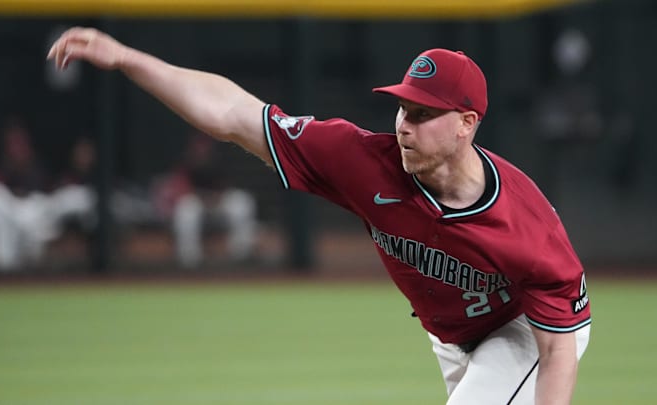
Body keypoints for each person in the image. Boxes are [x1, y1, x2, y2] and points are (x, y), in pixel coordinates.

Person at [48, 27, 592, 404]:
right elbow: (233, 114)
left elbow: (557, 345)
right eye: (403, 106)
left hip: (525, 327)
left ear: (466, 124)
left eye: (423, 114)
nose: (404, 123)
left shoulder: (526, 225)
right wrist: (126, 58)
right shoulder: (361, 160)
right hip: (452, 335)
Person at [151, 132, 257, 268]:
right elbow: (182, 187)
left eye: (204, 148)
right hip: (198, 201)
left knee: (242, 202)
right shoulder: (187, 162)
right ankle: (189, 259)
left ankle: (241, 256)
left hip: (220, 202)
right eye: (199, 148)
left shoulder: (219, 160)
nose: (202, 151)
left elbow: (227, 185)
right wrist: (202, 198)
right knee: (186, 209)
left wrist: (215, 198)